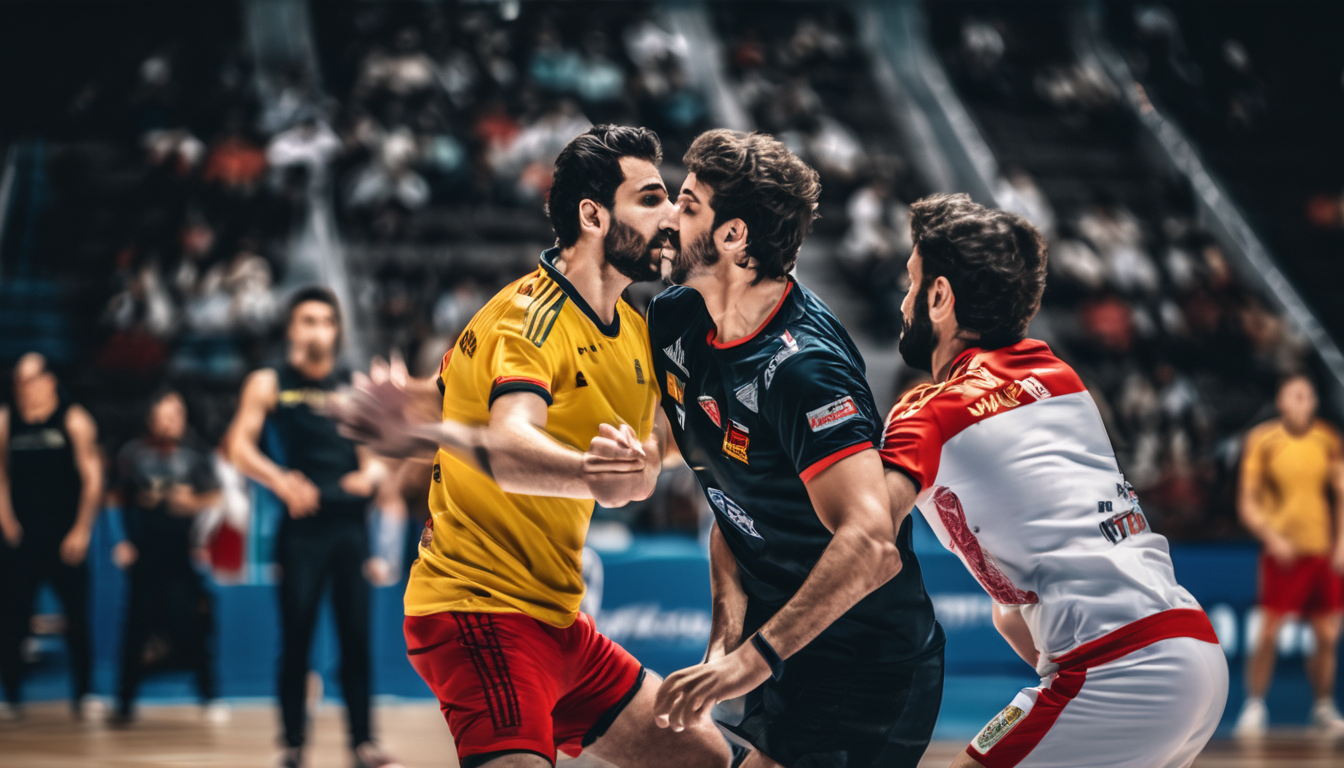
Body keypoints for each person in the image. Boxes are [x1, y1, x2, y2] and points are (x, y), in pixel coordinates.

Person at [329, 125, 731, 768]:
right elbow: (510, 446)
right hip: (478, 608)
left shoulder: (634, 330)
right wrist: (593, 474)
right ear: (593, 216)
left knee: (704, 758)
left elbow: (667, 433)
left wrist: (653, 457)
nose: (670, 219)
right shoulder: (528, 318)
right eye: (651, 199)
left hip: (559, 623)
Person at [878, 194, 1226, 768]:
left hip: (1119, 665)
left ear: (939, 296)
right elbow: (1015, 612)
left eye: (911, 283)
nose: (903, 300)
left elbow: (861, 530)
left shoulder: (928, 411)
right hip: (1193, 647)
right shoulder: (1057, 374)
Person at [645, 129, 944, 768]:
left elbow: (871, 546)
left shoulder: (805, 371)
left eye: (688, 206)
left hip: (861, 662)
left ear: (734, 236)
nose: (669, 218)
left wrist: (747, 662)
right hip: (783, 646)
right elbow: (729, 496)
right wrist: (725, 641)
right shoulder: (674, 317)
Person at [225, 288, 401, 768]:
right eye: (308, 320)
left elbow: (374, 462)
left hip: (349, 527)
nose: (318, 329)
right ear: (291, 328)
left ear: (336, 330)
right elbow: (238, 446)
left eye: (326, 320)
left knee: (356, 638)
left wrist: (370, 477)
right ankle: (292, 744)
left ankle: (363, 743)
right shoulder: (269, 382)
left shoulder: (354, 385)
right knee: (296, 637)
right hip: (302, 528)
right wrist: (281, 481)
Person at [1232, 374, 1344, 735]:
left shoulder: (1328, 439)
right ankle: (1254, 705)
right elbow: (1247, 503)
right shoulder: (1262, 440)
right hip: (1282, 553)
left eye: (1307, 396)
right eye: (1294, 395)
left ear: (1314, 402)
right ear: (1280, 401)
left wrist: (1341, 544)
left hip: (1321, 550)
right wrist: (1272, 537)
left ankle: (1323, 707)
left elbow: (1342, 494)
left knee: (1327, 634)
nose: (1301, 402)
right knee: (1268, 631)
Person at [111, 389, 225, 724]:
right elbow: (116, 497)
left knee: (192, 624)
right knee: (135, 628)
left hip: (181, 554)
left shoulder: (196, 456)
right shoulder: (132, 454)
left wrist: (192, 506)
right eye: (165, 415)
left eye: (177, 415)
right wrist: (122, 539)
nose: (172, 421)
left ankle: (209, 695)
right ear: (151, 418)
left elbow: (216, 499)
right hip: (144, 554)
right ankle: (124, 703)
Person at [0, 353, 102, 720]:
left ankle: (84, 693)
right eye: (17, 380)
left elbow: (92, 478)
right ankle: (11, 694)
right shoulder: (6, 421)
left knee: (76, 615)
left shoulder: (74, 419)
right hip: (21, 534)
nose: (21, 387)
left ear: (49, 381)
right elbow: (0, 474)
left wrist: (82, 529)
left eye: (28, 379)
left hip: (64, 535)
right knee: (12, 616)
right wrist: (6, 520)